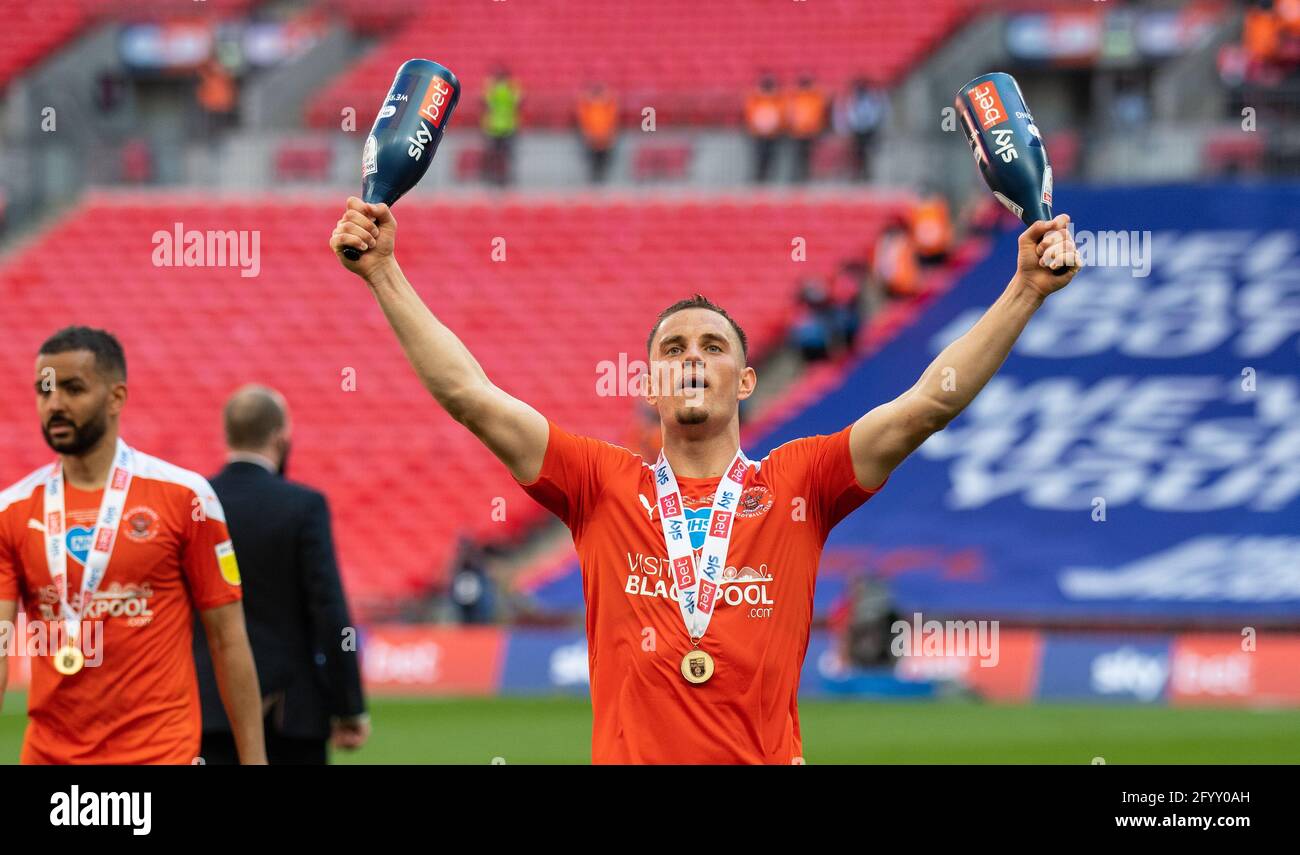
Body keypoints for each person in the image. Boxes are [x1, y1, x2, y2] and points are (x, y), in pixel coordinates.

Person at [328, 195, 1080, 764]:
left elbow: (926, 406)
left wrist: (1023, 293)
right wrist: (384, 273)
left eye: (713, 345)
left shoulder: (803, 481)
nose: (692, 355)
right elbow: (470, 395)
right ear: (651, 383)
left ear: (746, 379)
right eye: (674, 347)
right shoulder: (599, 483)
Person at [0, 327, 266, 764]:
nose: (55, 404)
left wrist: (254, 761)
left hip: (160, 755)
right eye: (44, 391)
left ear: (116, 397)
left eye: (73, 388)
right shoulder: (11, 511)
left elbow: (228, 639)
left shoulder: (186, 498)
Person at [194, 385, 368, 764]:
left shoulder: (194, 501)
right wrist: (349, 706)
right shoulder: (303, 506)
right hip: (290, 715)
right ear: (280, 435)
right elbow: (330, 612)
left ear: (228, 435)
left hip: (207, 710)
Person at [834, 77, 889, 181]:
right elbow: (848, 114)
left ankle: (867, 173)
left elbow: (877, 113)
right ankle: (858, 174)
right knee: (857, 153)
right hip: (857, 129)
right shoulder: (852, 100)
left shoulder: (872, 99)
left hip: (868, 129)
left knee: (869, 152)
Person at [481, 67, 522, 186]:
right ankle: (505, 178)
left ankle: (493, 178)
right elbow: (519, 101)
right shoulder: (511, 89)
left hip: (494, 126)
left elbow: (485, 102)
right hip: (508, 126)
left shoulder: (492, 89)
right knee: (507, 155)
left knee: (494, 155)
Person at [786, 75, 829, 182]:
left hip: (808, 131)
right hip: (800, 132)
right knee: (798, 156)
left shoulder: (813, 97)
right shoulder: (797, 97)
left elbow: (820, 113)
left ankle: (804, 176)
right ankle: (797, 176)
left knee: (807, 156)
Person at [744, 75, 784, 182]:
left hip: (772, 133)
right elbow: (750, 114)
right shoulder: (756, 99)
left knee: (770, 157)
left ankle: (766, 178)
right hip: (759, 133)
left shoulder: (777, 100)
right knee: (759, 156)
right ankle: (759, 177)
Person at [576, 83, 619, 183]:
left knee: (604, 159)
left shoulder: (607, 105)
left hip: (604, 138)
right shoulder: (588, 106)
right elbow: (583, 118)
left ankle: (601, 177)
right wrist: (587, 134)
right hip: (592, 138)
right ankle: (594, 178)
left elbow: (613, 118)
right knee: (592, 159)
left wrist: (609, 134)